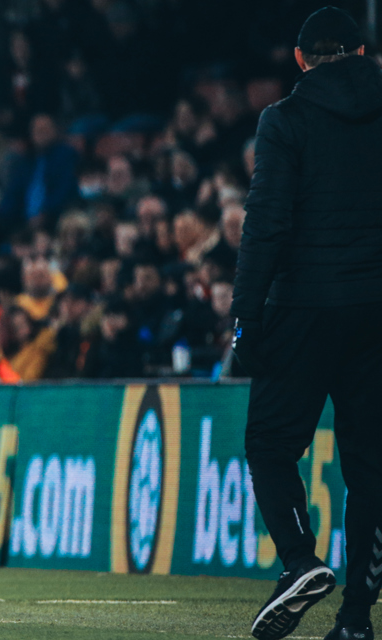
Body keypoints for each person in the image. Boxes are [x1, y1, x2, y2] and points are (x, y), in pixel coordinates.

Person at [231, 8, 382, 640]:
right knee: (370, 465)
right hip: (376, 308)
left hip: (303, 304)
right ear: (360, 51)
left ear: (299, 60)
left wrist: (246, 316)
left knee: (269, 444)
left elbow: (266, 221)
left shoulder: (285, 120)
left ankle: (300, 561)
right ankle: (355, 620)